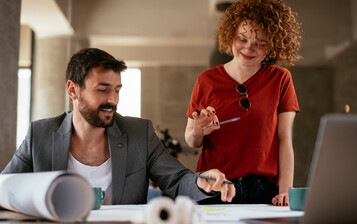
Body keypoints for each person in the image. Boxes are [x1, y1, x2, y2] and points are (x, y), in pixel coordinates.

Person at [2, 48, 235, 204]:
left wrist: (201, 181)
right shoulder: (40, 134)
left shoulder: (139, 133)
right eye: (103, 89)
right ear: (73, 90)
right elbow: (4, 188)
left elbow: (176, 180)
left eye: (117, 90)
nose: (113, 100)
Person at [185, 0, 301, 206]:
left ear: (274, 45)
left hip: (264, 189)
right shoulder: (206, 80)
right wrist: (198, 132)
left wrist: (286, 191)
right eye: (243, 39)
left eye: (261, 43)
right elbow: (192, 142)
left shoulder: (281, 79)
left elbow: (285, 139)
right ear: (231, 36)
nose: (249, 48)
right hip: (215, 187)